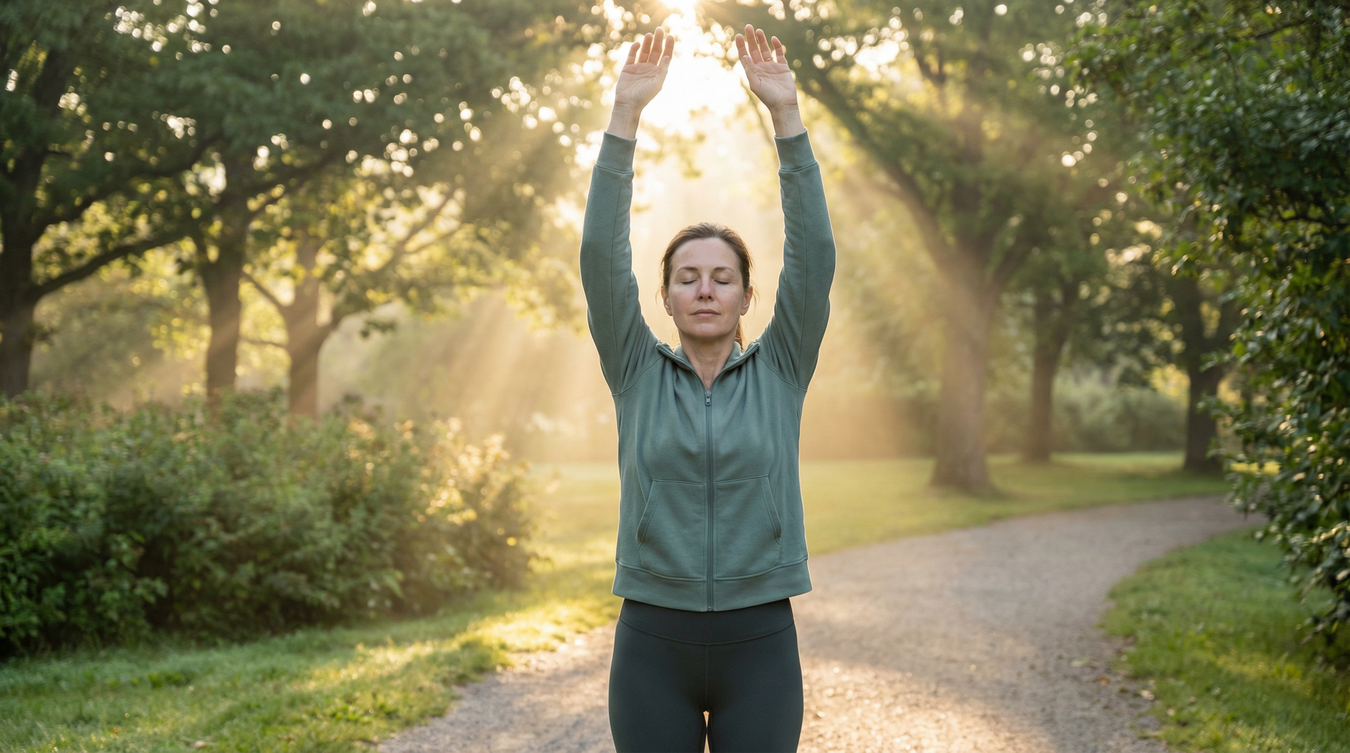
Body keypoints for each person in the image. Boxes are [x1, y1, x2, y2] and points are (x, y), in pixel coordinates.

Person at [580, 23, 836, 753]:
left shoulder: (783, 366)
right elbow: (600, 256)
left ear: (747, 295)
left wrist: (787, 119)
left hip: (761, 639)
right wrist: (624, 120)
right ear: (663, 295)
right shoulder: (633, 367)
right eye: (687, 277)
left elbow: (815, 256)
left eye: (722, 277)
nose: (704, 289)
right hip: (650, 639)